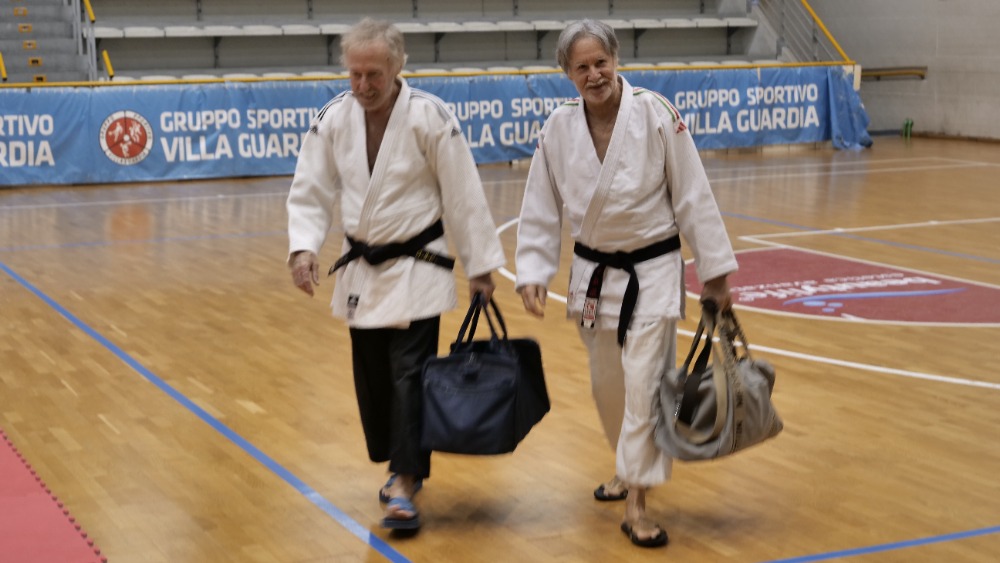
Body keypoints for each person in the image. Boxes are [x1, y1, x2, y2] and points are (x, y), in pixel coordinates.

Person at [514, 19, 737, 548]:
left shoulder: (656, 114)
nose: (594, 75)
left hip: (653, 270)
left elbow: (693, 195)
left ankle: (638, 498)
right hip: (594, 277)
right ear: (567, 73)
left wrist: (715, 274)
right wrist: (533, 270)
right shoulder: (558, 128)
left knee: (644, 385)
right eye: (582, 67)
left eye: (601, 62)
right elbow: (540, 203)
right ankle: (625, 464)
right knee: (607, 386)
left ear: (616, 60)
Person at [286, 18, 506, 531]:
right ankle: (400, 463)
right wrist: (303, 248)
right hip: (362, 269)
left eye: (374, 75)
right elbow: (310, 188)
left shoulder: (430, 116)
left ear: (398, 65)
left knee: (411, 376)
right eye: (355, 74)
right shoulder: (333, 118)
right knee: (375, 380)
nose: (363, 86)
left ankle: (405, 482)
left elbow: (463, 193)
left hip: (417, 266)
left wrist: (479, 266)